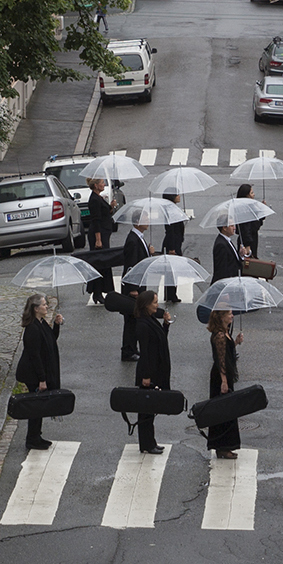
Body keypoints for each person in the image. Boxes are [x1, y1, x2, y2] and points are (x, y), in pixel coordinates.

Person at [14, 294, 63, 450]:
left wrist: (56, 325)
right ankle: (32, 439)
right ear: (36, 309)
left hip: (39, 372)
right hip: (33, 374)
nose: (46, 307)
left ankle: (36, 436)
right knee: (36, 406)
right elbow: (35, 356)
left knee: (39, 406)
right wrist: (42, 380)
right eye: (43, 305)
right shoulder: (32, 329)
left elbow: (50, 340)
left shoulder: (41, 323)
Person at [134, 288, 172, 454]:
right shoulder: (142, 324)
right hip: (147, 372)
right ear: (146, 305)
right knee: (145, 411)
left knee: (150, 409)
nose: (157, 305)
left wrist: (165, 324)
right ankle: (146, 444)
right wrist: (147, 376)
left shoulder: (149, 319)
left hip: (155, 370)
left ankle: (151, 441)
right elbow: (146, 352)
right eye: (155, 302)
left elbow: (159, 340)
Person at [206, 309, 244, 458]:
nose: (232, 315)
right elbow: (220, 359)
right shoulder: (220, 336)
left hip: (224, 375)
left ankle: (224, 446)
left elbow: (226, 352)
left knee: (226, 410)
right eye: (229, 313)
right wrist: (223, 381)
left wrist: (235, 342)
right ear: (221, 317)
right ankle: (223, 447)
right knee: (223, 411)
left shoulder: (224, 332)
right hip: (220, 377)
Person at [118, 218, 153, 361]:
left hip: (139, 285)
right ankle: (127, 351)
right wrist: (133, 289)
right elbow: (131, 266)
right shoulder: (133, 240)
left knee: (136, 319)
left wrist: (150, 252)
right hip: (133, 287)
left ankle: (133, 348)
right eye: (145, 219)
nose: (148, 221)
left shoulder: (139, 237)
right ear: (137, 222)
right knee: (131, 321)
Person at [159, 193, 185, 303]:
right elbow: (170, 230)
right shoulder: (170, 210)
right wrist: (172, 248)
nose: (179, 196)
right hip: (172, 244)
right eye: (176, 194)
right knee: (172, 270)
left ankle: (170, 293)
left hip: (176, 242)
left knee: (172, 270)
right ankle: (171, 294)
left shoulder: (172, 208)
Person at [86, 179, 116, 251]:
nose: (104, 185)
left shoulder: (99, 197)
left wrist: (111, 206)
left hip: (105, 232)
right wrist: (98, 240)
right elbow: (96, 219)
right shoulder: (94, 200)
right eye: (102, 183)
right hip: (100, 233)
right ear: (96, 186)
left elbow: (104, 213)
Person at [235, 183, 263, 257]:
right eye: (252, 193)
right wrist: (247, 245)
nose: (254, 195)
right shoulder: (244, 209)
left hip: (252, 239)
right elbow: (245, 228)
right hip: (248, 241)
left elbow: (256, 223)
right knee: (249, 264)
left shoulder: (250, 206)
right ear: (246, 195)